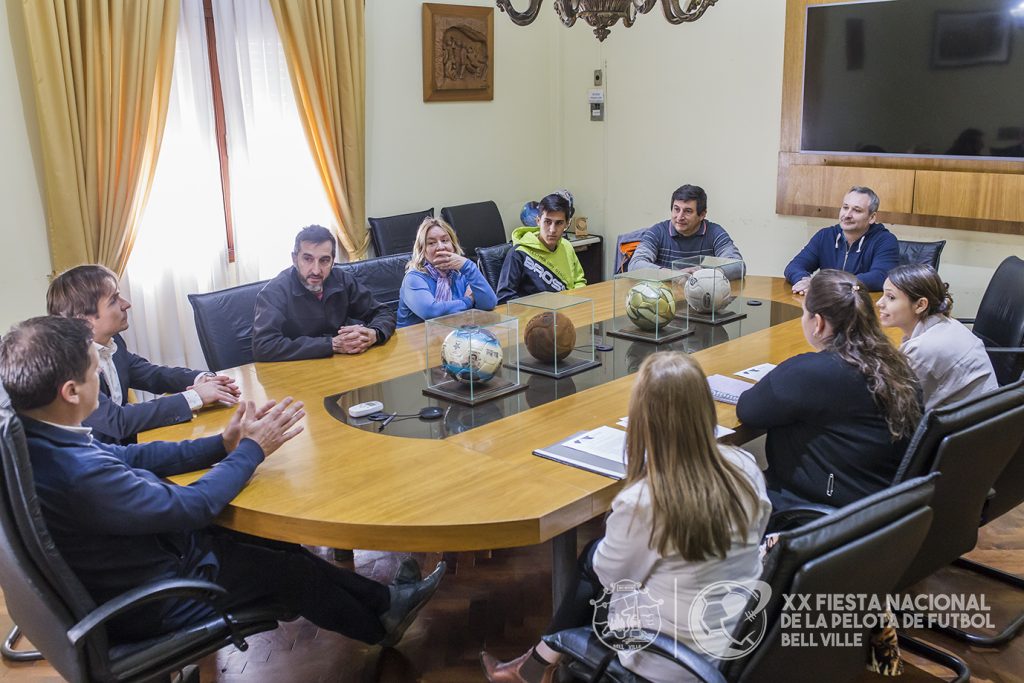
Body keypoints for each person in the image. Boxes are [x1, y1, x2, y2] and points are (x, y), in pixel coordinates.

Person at [0, 315, 445, 648]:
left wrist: (223, 444)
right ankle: (381, 626)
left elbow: (132, 454)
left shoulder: (38, 438)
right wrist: (254, 449)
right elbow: (191, 508)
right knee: (283, 567)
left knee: (276, 544)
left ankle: (386, 601)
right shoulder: (79, 473)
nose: (103, 376)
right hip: (153, 598)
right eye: (96, 370)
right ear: (71, 392)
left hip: (141, 561)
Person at [480, 352, 770, 683]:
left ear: (643, 419)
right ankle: (534, 665)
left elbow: (609, 579)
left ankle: (535, 665)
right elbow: (758, 530)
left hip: (666, 660)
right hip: (740, 643)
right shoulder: (744, 466)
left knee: (594, 560)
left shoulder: (645, 501)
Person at [737, 270, 922, 511]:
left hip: (818, 514)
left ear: (819, 322)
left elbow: (748, 409)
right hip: (880, 512)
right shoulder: (896, 363)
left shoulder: (809, 373)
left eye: (805, 313)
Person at [46, 265, 240, 444]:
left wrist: (203, 379)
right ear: (84, 320)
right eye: (114, 300)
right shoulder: (69, 366)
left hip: (128, 450)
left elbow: (151, 374)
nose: (126, 304)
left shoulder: (114, 343)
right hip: (95, 466)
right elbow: (117, 421)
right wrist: (194, 397)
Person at [253, 225, 397, 361]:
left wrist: (373, 333)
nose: (316, 270)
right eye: (308, 259)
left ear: (333, 261)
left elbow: (383, 312)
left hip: (341, 368)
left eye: (324, 260)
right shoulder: (274, 292)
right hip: (294, 375)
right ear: (295, 259)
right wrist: (331, 345)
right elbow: (263, 346)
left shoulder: (342, 280)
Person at [877, 264, 997, 412]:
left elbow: (895, 403)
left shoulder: (923, 349)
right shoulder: (946, 323)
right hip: (982, 417)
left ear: (920, 305)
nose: (879, 303)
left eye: (890, 297)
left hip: (963, 428)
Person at [784, 186, 898, 293]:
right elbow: (794, 267)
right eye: (845, 207)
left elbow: (880, 277)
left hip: (862, 307)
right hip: (828, 304)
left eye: (857, 210)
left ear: (872, 217)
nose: (847, 214)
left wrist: (827, 283)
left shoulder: (885, 240)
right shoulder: (825, 235)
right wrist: (803, 281)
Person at [627, 184, 745, 280]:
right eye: (676, 209)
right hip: (666, 301)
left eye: (687, 211)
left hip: (704, 300)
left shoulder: (715, 233)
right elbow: (635, 265)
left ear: (702, 215)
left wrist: (706, 275)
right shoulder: (657, 232)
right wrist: (673, 274)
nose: (679, 217)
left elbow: (738, 265)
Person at [397, 217, 497, 327]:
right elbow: (432, 312)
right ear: (422, 250)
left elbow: (489, 304)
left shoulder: (461, 273)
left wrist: (469, 266)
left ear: (453, 245)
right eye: (431, 243)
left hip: (452, 337)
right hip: (415, 341)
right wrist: (469, 300)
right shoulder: (414, 278)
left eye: (445, 240)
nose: (440, 247)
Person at [495, 191, 587, 303]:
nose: (552, 230)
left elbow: (579, 281)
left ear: (567, 224)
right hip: (535, 317)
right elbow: (504, 297)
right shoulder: (518, 253)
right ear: (538, 221)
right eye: (547, 222)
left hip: (567, 312)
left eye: (559, 223)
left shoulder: (567, 246)